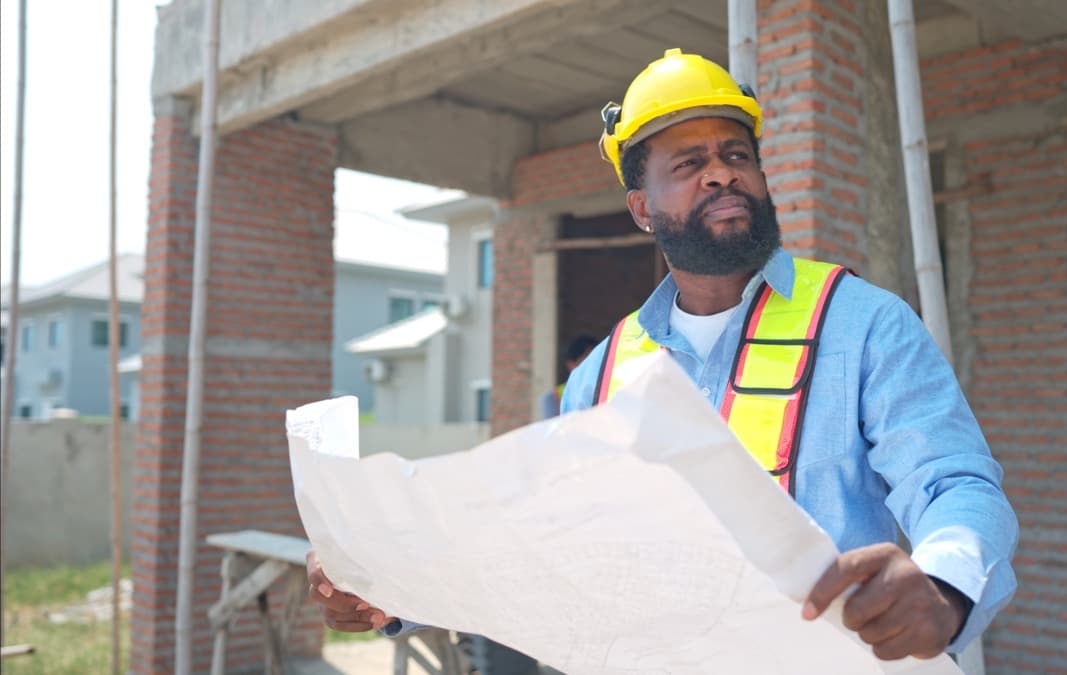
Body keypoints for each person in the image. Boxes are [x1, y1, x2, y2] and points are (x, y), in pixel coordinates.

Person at [310, 48, 1017, 663]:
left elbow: (955, 484)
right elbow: (540, 550)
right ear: (642, 207)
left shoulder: (863, 326)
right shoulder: (602, 375)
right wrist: (387, 589)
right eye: (689, 163)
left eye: (736, 155)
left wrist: (943, 586)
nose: (721, 175)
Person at [538, 334, 598, 419]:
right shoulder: (553, 398)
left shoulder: (606, 389)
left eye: (595, 361)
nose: (592, 366)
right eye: (586, 361)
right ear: (571, 364)